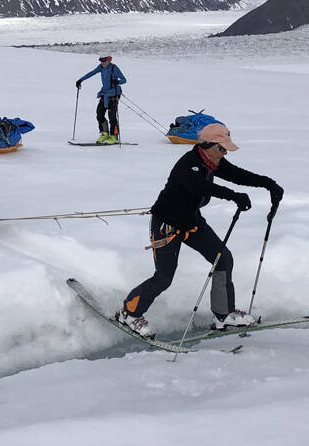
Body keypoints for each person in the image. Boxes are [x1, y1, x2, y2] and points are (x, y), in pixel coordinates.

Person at [118, 123, 284, 337]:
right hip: (167, 225)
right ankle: (129, 313)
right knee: (164, 277)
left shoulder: (212, 160)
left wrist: (269, 184)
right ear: (208, 145)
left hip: (191, 222)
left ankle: (224, 316)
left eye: (226, 150)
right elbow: (202, 187)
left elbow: (239, 175)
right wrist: (234, 196)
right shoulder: (189, 165)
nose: (224, 154)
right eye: (222, 149)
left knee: (222, 258)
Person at [75, 55, 127, 144]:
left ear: (109, 60)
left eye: (103, 60)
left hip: (114, 95)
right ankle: (105, 133)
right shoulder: (101, 67)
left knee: (112, 117)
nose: (102, 62)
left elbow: (124, 80)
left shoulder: (114, 68)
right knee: (99, 114)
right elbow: (92, 73)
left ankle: (114, 136)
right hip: (104, 94)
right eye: (101, 60)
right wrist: (80, 80)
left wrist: (117, 81)